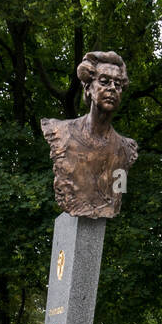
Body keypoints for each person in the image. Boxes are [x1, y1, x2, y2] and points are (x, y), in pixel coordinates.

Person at [41, 51, 138, 219]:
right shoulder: (58, 131)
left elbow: (118, 192)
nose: (113, 88)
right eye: (104, 81)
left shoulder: (126, 149)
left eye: (118, 84)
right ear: (88, 88)